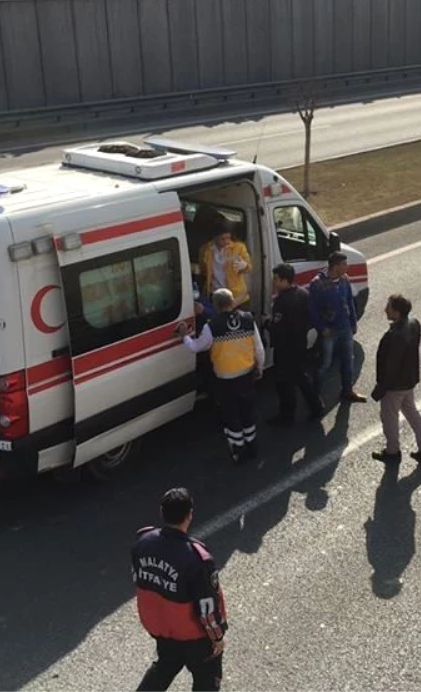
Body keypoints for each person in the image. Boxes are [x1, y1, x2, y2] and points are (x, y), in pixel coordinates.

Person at [131, 488, 227, 692]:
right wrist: (217, 638)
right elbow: (207, 607)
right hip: (195, 638)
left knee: (165, 666)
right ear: (189, 515)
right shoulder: (196, 559)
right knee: (206, 681)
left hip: (163, 631)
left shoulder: (143, 542)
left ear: (161, 512)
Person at [177, 289, 264, 463]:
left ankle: (238, 450)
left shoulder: (212, 326)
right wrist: (259, 367)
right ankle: (252, 447)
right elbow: (259, 348)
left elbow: (196, 347)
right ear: (232, 302)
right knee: (247, 412)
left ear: (215, 306)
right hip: (246, 374)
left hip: (225, 379)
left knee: (231, 415)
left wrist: (184, 336)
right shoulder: (248, 319)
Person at [371, 294, 421, 465]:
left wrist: (381, 387)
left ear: (397, 313)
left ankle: (392, 451)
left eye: (389, 307)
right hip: (409, 380)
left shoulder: (395, 336)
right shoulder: (414, 323)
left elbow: (391, 365)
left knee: (389, 418)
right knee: (411, 412)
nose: (385, 309)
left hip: (395, 386)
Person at [267, 263, 323, 426]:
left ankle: (287, 415)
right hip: (300, 343)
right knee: (300, 377)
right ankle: (316, 405)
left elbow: (278, 328)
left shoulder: (282, 301)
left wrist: (266, 324)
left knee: (284, 383)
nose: (274, 283)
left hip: (285, 348)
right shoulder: (303, 293)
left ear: (284, 280)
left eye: (276, 279)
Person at [309, 252, 363, 404]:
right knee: (324, 364)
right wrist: (321, 328)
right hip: (329, 330)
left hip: (344, 327)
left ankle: (347, 390)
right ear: (335, 266)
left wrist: (353, 322)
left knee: (347, 360)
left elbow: (349, 302)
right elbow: (312, 310)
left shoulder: (345, 279)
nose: (347, 267)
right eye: (344, 264)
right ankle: (315, 395)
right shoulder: (317, 284)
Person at [198, 219, 251, 308]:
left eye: (228, 238)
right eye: (222, 239)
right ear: (215, 237)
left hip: (236, 296)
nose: (226, 241)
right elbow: (203, 270)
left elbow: (248, 267)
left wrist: (244, 266)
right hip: (216, 293)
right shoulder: (206, 250)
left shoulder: (238, 247)